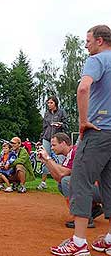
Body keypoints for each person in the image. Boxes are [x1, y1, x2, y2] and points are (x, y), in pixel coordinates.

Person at [50, 25, 111, 256]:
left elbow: (83, 88)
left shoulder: (97, 60)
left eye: (88, 41)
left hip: (98, 132)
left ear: (100, 41)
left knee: (79, 182)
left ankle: (79, 242)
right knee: (110, 185)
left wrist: (83, 121)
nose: (86, 45)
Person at [38, 132, 102, 229]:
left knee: (67, 182)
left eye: (54, 145)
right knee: (62, 183)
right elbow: (58, 177)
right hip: (98, 189)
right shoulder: (70, 154)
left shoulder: (75, 152)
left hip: (102, 189)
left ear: (63, 143)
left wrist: (48, 158)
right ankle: (93, 209)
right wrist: (47, 162)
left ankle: (84, 217)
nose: (51, 148)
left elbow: (62, 175)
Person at [38, 95, 68, 190]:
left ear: (56, 103)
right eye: (48, 103)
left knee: (61, 159)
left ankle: (63, 181)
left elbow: (67, 125)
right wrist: (40, 140)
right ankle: (43, 182)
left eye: (51, 102)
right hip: (47, 138)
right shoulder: (46, 114)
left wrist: (60, 124)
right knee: (45, 158)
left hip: (58, 139)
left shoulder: (61, 112)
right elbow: (44, 128)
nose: (49, 104)